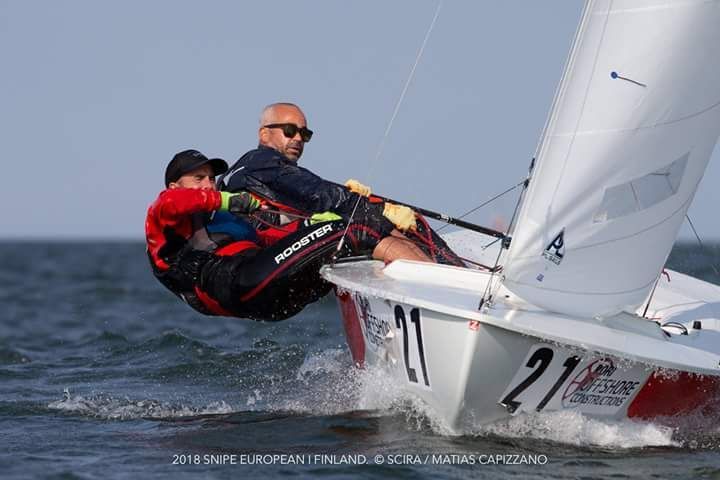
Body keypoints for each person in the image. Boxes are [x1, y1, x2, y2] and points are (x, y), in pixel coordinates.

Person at [146, 149, 431, 321]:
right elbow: (176, 202)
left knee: (346, 242)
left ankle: (400, 311)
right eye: (199, 179)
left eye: (211, 178)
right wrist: (226, 200)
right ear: (173, 185)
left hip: (274, 303)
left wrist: (314, 224)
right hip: (236, 285)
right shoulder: (164, 214)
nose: (209, 184)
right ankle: (432, 290)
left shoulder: (224, 219)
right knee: (356, 229)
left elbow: (279, 243)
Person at [220, 102, 464, 266]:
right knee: (367, 220)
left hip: (264, 248)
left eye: (304, 134)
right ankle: (444, 278)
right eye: (289, 130)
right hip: (263, 252)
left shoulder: (250, 164)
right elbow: (318, 193)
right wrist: (372, 206)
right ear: (264, 134)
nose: (298, 139)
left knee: (373, 216)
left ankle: (448, 274)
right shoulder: (264, 160)